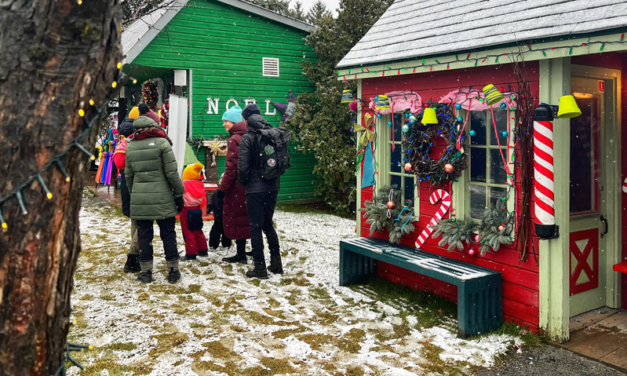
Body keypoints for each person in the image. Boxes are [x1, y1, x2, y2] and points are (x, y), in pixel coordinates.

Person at [125, 114, 185, 284]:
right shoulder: (162, 143)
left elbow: (128, 175)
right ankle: (173, 271)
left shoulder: (131, 147)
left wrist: (134, 193)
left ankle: (146, 272)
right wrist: (179, 193)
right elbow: (172, 173)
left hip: (140, 197)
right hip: (163, 197)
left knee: (144, 235)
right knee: (168, 234)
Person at [238, 105, 282, 279]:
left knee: (255, 227)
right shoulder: (273, 134)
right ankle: (277, 263)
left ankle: (260, 268)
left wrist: (245, 183)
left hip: (255, 188)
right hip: (273, 186)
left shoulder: (247, 138)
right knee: (268, 224)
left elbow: (242, 167)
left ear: (247, 119)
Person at [217, 105, 250, 264]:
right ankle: (248, 252)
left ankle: (241, 254)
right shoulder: (248, 135)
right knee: (245, 217)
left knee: (237, 217)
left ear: (235, 121)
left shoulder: (234, 139)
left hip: (236, 186)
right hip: (248, 184)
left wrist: (222, 188)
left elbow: (232, 166)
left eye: (226, 121)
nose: (224, 124)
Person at [113, 108, 140, 272]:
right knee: (143, 221)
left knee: (135, 220)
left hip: (126, 181)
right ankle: (133, 256)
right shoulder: (139, 135)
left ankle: (136, 253)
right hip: (140, 182)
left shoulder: (124, 133)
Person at [181, 162, 209, 260]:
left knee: (188, 233)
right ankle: (203, 250)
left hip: (186, 210)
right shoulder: (200, 184)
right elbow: (204, 199)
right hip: (197, 210)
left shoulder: (183, 185)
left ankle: (191, 253)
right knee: (198, 230)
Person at [207, 174, 232, 251]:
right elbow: (212, 200)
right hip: (218, 214)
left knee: (226, 231)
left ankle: (226, 244)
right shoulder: (217, 191)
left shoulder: (230, 192)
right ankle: (213, 244)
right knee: (216, 230)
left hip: (227, 214)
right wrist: (209, 208)